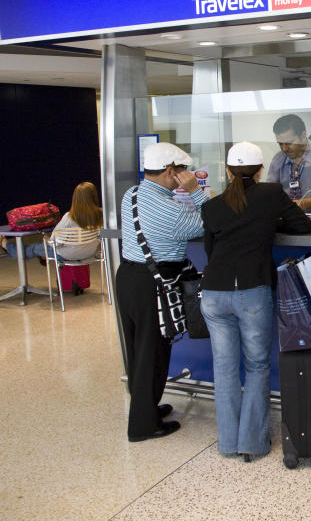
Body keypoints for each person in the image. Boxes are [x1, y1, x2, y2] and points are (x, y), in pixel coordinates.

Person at [200, 142, 311, 462]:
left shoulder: (212, 206)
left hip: (215, 294)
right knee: (257, 366)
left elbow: (211, 251)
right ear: (260, 170)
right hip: (252, 292)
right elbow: (301, 225)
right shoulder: (271, 194)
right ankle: (253, 443)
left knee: (224, 369)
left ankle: (228, 442)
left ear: (228, 171)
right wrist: (269, 224)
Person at [117, 143, 206, 442]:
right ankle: (143, 425)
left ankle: (147, 406)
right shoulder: (171, 211)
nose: (187, 175)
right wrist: (195, 191)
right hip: (151, 286)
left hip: (129, 277)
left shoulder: (131, 195)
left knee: (140, 349)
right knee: (151, 352)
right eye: (183, 171)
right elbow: (211, 222)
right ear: (170, 171)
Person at [0, 182, 103, 293]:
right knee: (44, 248)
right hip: (89, 254)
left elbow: (54, 240)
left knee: (33, 248)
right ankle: (43, 255)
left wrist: (46, 237)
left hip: (66, 255)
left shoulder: (69, 217)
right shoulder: (101, 215)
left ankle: (6, 245)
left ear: (75, 198)